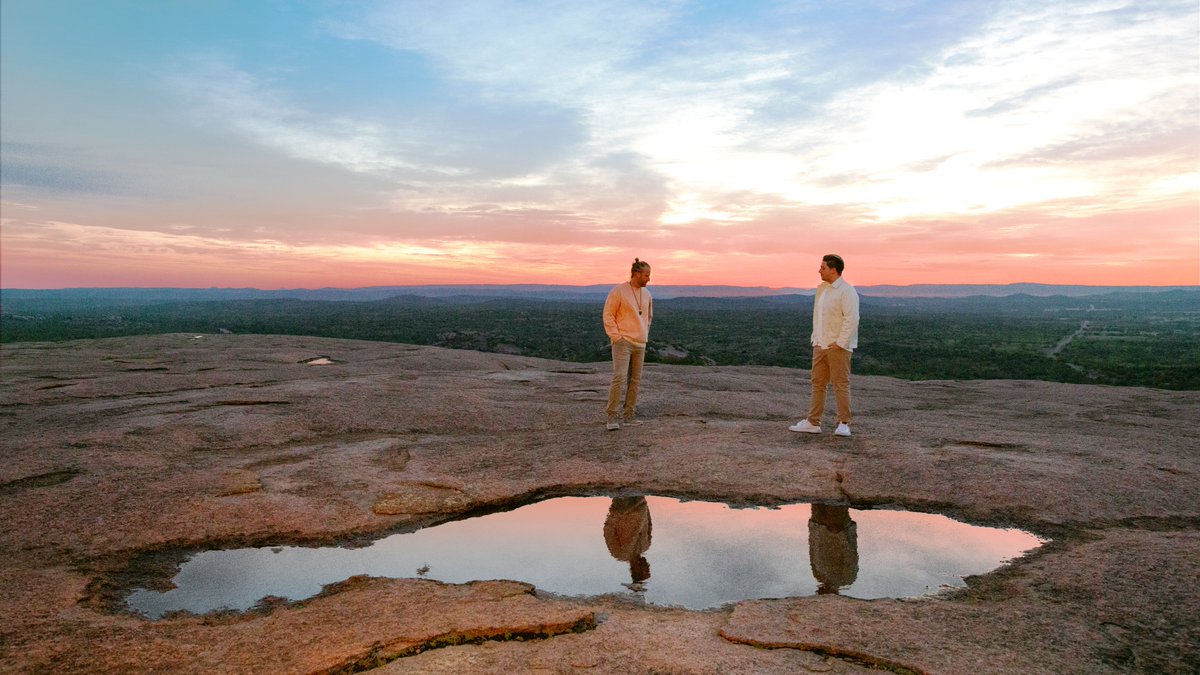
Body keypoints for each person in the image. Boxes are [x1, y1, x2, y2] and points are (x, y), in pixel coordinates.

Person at [789, 253, 859, 437]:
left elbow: (852, 319)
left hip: (838, 347)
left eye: (823, 267)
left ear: (833, 270)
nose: (819, 270)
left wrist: (841, 342)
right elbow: (818, 317)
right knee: (818, 383)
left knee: (840, 384)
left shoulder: (847, 291)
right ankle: (813, 422)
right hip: (820, 344)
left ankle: (844, 423)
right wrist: (816, 339)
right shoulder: (822, 289)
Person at [603, 258, 653, 430]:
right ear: (637, 274)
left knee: (635, 381)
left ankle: (629, 416)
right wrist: (616, 337)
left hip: (640, 343)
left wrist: (644, 333)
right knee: (619, 379)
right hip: (623, 342)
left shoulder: (647, 294)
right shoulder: (619, 291)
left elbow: (648, 317)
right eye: (646, 275)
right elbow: (608, 315)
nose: (649, 279)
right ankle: (612, 417)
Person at [603, 496, 652, 591]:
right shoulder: (645, 546)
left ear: (636, 570)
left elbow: (609, 533)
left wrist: (615, 515)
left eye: (646, 568)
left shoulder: (619, 554)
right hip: (635, 505)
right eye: (648, 568)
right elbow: (649, 525)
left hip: (622, 507)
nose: (648, 564)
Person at [808, 504, 859, 594]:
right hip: (837, 527)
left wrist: (813, 525)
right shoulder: (847, 578)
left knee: (822, 499)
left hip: (819, 524)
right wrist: (841, 533)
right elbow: (851, 554)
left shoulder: (818, 576)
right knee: (835, 501)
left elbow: (813, 550)